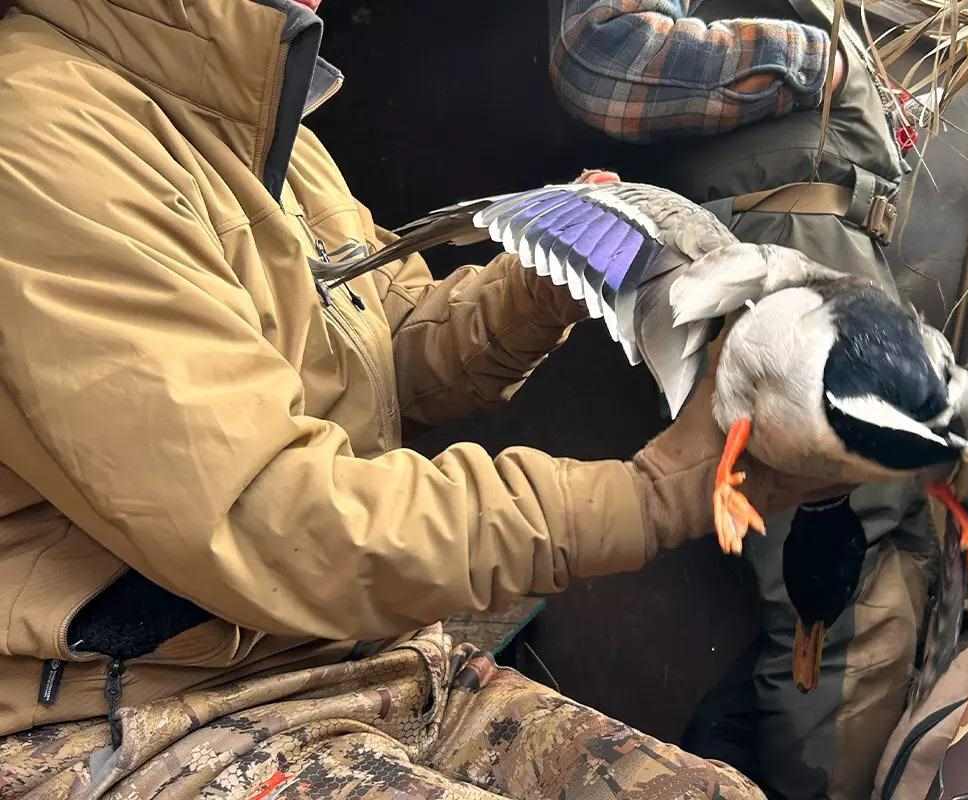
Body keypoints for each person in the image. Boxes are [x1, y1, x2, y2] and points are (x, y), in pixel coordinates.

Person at [0, 1, 851, 797]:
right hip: (134, 713)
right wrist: (657, 493)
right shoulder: (38, 139)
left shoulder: (249, 114)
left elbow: (390, 352)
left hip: (362, 656)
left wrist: (543, 282)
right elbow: (277, 518)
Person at [550, 3, 944, 799]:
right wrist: (819, 63)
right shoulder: (808, 56)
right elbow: (601, 55)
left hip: (822, 248)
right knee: (838, 587)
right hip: (786, 248)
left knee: (888, 553)